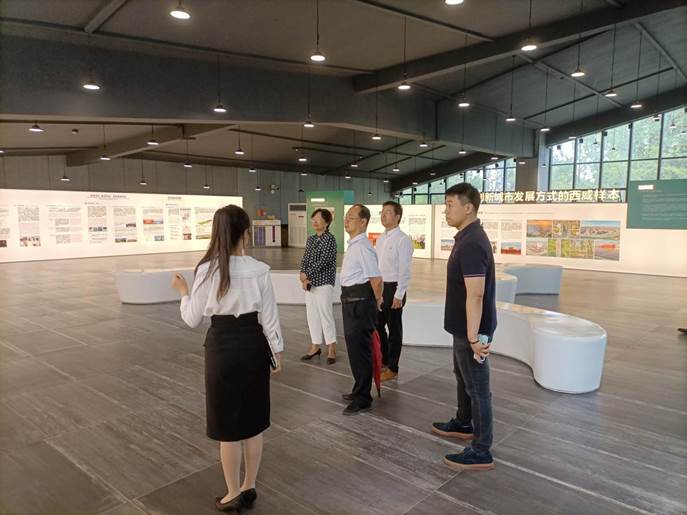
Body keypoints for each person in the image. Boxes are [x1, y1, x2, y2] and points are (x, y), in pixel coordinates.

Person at [171, 205, 283, 511]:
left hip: (221, 348)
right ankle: (249, 486)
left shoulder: (207, 270)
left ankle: (232, 492)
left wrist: (183, 291)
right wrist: (277, 351)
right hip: (253, 344)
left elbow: (191, 318)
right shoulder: (260, 269)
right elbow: (270, 318)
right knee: (254, 422)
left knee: (228, 426)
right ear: (246, 233)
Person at [431, 183, 497, 472]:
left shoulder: (471, 243)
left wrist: (472, 337)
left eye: (450, 205)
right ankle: (463, 422)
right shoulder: (466, 237)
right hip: (464, 327)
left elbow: (476, 294)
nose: (445, 210)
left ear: (468, 208)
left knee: (478, 388)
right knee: (464, 378)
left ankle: (481, 450)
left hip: (472, 331)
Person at [340, 203, 383, 415]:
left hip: (360, 304)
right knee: (355, 351)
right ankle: (359, 389)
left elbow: (376, 279)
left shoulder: (363, 247)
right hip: (352, 301)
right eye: (346, 217)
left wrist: (376, 302)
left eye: (351, 217)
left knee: (361, 352)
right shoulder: (355, 245)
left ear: (363, 222)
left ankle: (363, 398)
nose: (346, 220)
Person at [375, 201, 414, 381]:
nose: (383, 215)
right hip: (381, 287)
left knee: (394, 329)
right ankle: (384, 360)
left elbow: (404, 270)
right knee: (377, 325)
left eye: (388, 212)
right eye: (382, 212)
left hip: (394, 288)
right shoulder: (381, 238)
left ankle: (393, 367)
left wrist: (399, 295)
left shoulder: (403, 239)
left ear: (397, 217)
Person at [299, 208, 338, 364]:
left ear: (326, 222)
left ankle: (332, 348)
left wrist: (306, 274)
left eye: (318, 219)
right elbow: (305, 259)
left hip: (324, 282)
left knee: (325, 315)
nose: (314, 221)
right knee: (312, 315)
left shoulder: (330, 239)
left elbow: (324, 261)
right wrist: (303, 276)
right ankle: (315, 346)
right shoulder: (311, 239)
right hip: (310, 283)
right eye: (313, 219)